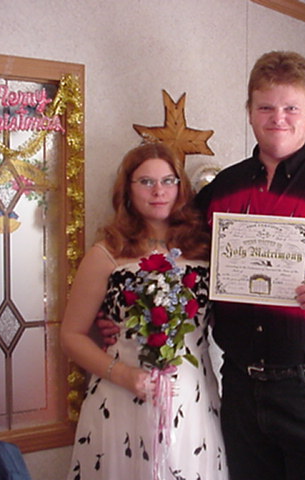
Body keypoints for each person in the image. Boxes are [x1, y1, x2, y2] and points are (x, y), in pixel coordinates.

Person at [100, 51, 305, 480]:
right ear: (249, 112)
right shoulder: (222, 190)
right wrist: (122, 317)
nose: (278, 118)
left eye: (291, 108)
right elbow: (177, 265)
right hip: (241, 387)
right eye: (266, 107)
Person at [61, 142, 228, 480]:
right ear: (127, 190)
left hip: (193, 396)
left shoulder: (207, 248)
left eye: (168, 181)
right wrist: (123, 374)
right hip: (121, 395)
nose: (158, 191)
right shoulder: (107, 252)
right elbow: (71, 336)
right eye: (146, 182)